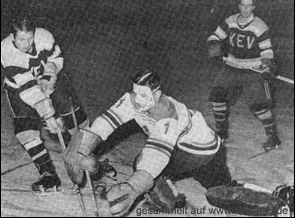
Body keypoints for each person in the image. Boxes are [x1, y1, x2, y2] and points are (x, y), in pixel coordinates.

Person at [64, 70, 232, 216]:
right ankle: (167, 197)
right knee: (144, 164)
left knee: (223, 193)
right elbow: (106, 122)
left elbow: (156, 156)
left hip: (201, 153)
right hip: (182, 147)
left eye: (143, 95)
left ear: (157, 95)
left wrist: (132, 188)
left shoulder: (168, 113)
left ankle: (166, 192)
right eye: (135, 93)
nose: (137, 99)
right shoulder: (133, 100)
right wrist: (82, 148)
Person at [1, 12, 90, 193]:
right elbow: (28, 89)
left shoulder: (44, 36)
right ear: (12, 37)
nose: (26, 44)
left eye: (30, 38)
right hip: (21, 90)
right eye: (21, 40)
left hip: (49, 80)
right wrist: (48, 114)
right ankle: (48, 174)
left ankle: (90, 157)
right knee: (25, 131)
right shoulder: (6, 50)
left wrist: (50, 73)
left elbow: (57, 58)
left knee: (73, 117)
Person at [207, 0, 281, 151]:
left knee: (258, 105)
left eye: (249, 6)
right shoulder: (230, 21)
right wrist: (214, 46)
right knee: (216, 97)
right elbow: (215, 35)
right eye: (243, 5)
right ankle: (221, 132)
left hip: (251, 71)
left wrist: (267, 66)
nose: (245, 9)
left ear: (254, 7)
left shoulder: (260, 26)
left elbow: (267, 51)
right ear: (238, 6)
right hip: (231, 66)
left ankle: (273, 137)